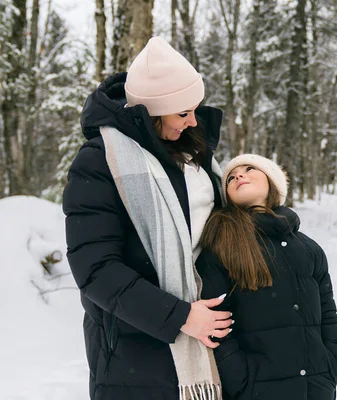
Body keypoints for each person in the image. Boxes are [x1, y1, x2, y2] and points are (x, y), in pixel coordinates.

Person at [63, 37, 231, 400]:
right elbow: (94, 268)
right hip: (133, 353)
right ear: (153, 112)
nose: (192, 122)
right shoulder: (99, 161)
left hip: (211, 347)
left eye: (195, 110)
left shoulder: (192, 155)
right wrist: (181, 316)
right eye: (182, 113)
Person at [197, 154, 337, 400]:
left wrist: (334, 363)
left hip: (317, 386)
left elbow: (328, 312)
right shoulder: (222, 245)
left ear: (273, 181)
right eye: (231, 177)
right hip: (257, 390)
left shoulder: (309, 248)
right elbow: (215, 323)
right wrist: (241, 380)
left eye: (249, 168)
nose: (239, 176)